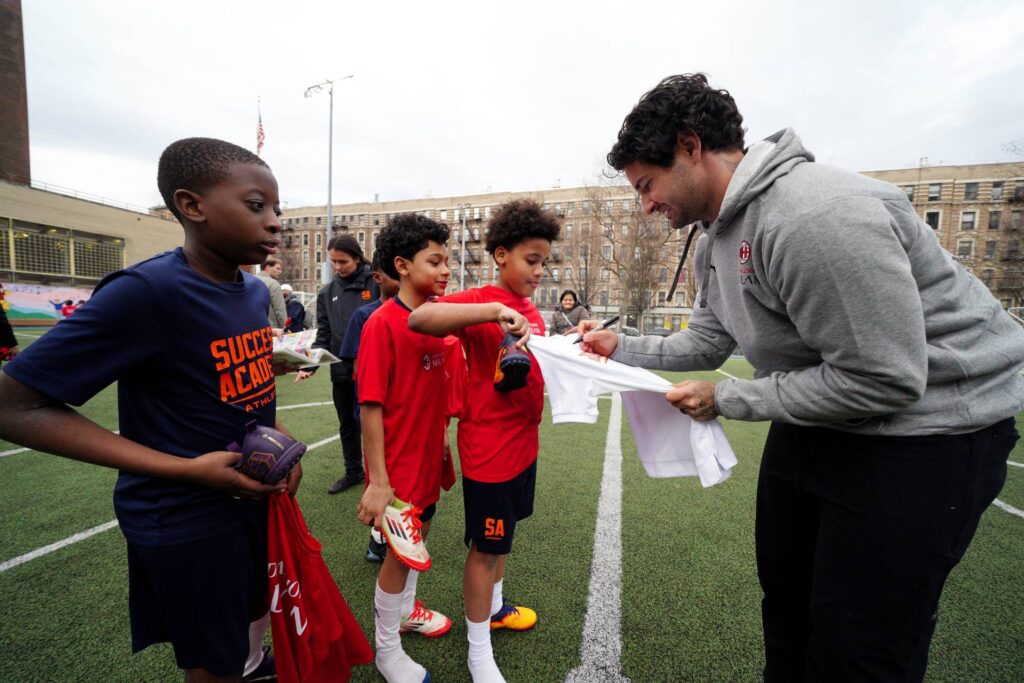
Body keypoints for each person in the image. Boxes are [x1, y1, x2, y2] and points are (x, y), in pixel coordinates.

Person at [580, 73, 1024, 683]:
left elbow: (884, 379)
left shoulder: (810, 216)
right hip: (819, 418)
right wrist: (622, 347)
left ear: (690, 146)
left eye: (646, 186)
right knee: (788, 608)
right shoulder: (714, 238)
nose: (646, 205)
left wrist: (727, 398)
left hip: (925, 433)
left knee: (860, 647)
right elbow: (709, 339)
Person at [0, 137, 302, 683]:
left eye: (276, 208)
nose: (275, 221)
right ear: (191, 205)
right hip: (184, 516)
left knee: (245, 625)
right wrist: (186, 470)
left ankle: (253, 665)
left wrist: (281, 443)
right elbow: (12, 406)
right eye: (257, 206)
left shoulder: (254, 292)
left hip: (247, 500)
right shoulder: (146, 291)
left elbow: (239, 388)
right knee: (212, 661)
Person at [409, 199, 558, 683]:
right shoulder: (482, 300)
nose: (539, 271)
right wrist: (491, 311)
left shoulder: (531, 308)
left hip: (525, 445)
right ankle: (478, 652)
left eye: (544, 262)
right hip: (490, 451)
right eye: (531, 260)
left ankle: (494, 608)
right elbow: (420, 318)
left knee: (504, 537)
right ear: (500, 255)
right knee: (486, 548)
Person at [356, 213, 454, 683]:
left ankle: (407, 612)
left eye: (447, 261)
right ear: (402, 265)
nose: (445, 270)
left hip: (428, 458)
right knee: (399, 556)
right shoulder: (382, 324)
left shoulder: (438, 319)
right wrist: (379, 480)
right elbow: (370, 406)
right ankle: (386, 651)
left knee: (418, 542)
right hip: (399, 468)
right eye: (434, 261)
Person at [304, 234, 379, 494]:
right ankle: (353, 472)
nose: (338, 267)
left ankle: (383, 475)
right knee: (347, 423)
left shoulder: (376, 281)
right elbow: (323, 335)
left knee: (378, 424)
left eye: (343, 261)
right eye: (334, 262)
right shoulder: (327, 292)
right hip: (342, 370)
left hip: (374, 369)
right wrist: (309, 365)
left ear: (357, 258)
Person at [255, 257, 287, 330]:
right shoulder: (273, 284)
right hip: (271, 329)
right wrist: (285, 328)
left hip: (251, 329)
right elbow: (280, 311)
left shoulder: (248, 281)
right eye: (278, 268)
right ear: (268, 267)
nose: (280, 272)